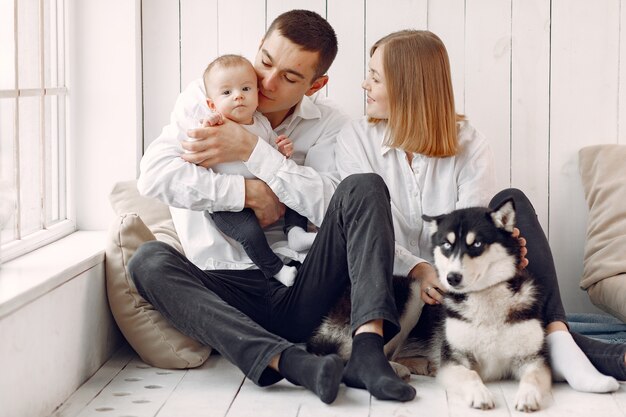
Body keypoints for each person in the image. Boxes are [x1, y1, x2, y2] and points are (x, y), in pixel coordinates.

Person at [129, 9, 416, 404]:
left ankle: (367, 353)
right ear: (258, 48)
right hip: (225, 288)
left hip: (302, 283)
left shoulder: (330, 125)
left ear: (316, 85)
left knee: (364, 186)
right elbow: (155, 176)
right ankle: (293, 364)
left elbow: (335, 206)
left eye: (290, 77)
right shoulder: (208, 97)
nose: (265, 83)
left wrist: (253, 151)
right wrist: (247, 193)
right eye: (265, 61)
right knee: (147, 261)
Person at [335, 29, 626, 393]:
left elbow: (471, 232)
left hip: (460, 289)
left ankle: (557, 334)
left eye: (375, 77)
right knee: (475, 309)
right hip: (388, 291)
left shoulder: (469, 143)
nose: (365, 84)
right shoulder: (355, 139)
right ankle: (593, 354)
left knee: (513, 201)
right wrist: (420, 269)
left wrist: (491, 254)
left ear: (407, 86)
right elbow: (366, 234)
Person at [198, 54, 315, 287]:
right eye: (226, 93)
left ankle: (296, 233)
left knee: (296, 187)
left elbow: (272, 158)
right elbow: (200, 151)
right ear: (212, 104)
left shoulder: (260, 122)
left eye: (245, 88)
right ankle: (275, 269)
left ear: (257, 94)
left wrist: (281, 150)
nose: (238, 96)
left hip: (268, 190)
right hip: (229, 206)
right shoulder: (216, 123)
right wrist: (208, 123)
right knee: (250, 235)